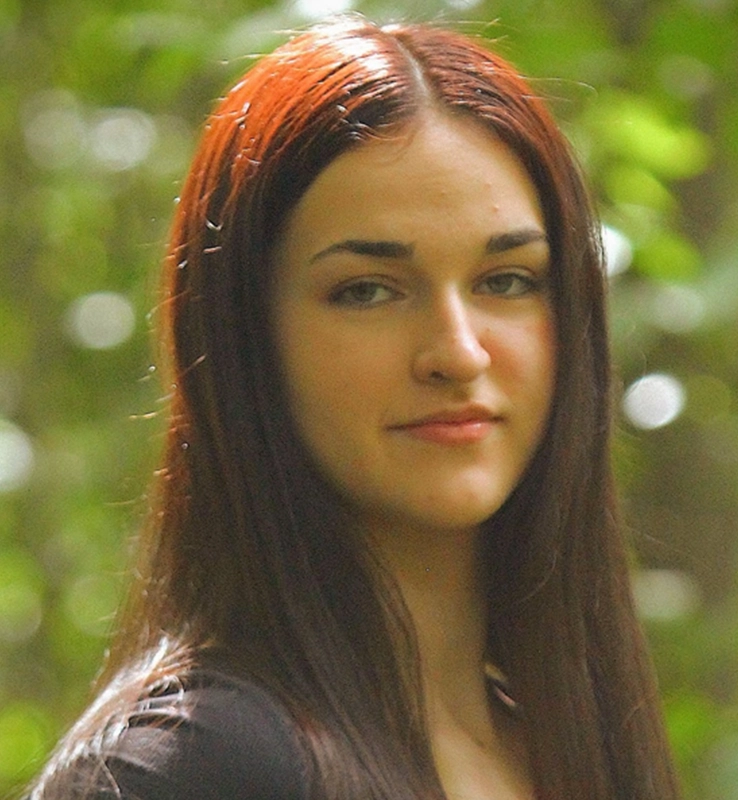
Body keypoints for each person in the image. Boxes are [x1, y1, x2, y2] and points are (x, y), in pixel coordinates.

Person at [24, 16, 681, 800]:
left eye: (505, 280)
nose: (459, 352)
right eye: (367, 291)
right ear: (245, 342)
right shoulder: (195, 768)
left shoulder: (567, 744)